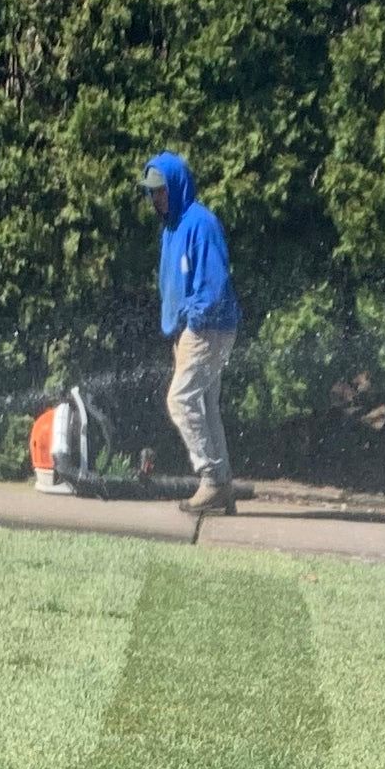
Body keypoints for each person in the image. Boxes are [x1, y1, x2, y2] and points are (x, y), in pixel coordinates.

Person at [143, 150, 240, 513]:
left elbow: (213, 284)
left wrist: (195, 322)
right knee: (204, 403)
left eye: (161, 191)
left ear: (177, 186)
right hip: (192, 329)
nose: (155, 199)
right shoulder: (171, 229)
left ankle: (212, 479)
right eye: (151, 193)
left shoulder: (200, 223)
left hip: (208, 327)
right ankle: (223, 485)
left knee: (181, 400)